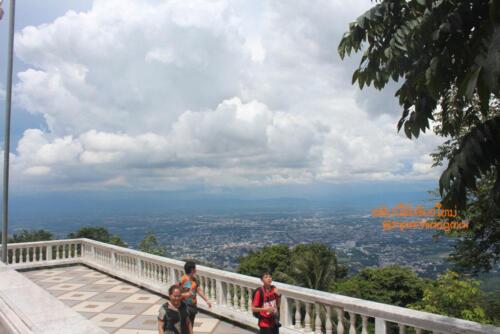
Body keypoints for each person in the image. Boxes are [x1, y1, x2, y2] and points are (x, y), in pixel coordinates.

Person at [180, 260, 212, 326]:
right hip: (185, 306)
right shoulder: (183, 279)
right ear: (192, 270)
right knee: (185, 326)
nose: (196, 270)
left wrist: (207, 300)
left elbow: (198, 290)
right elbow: (177, 293)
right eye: (195, 268)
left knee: (190, 325)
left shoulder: (194, 279)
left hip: (193, 306)